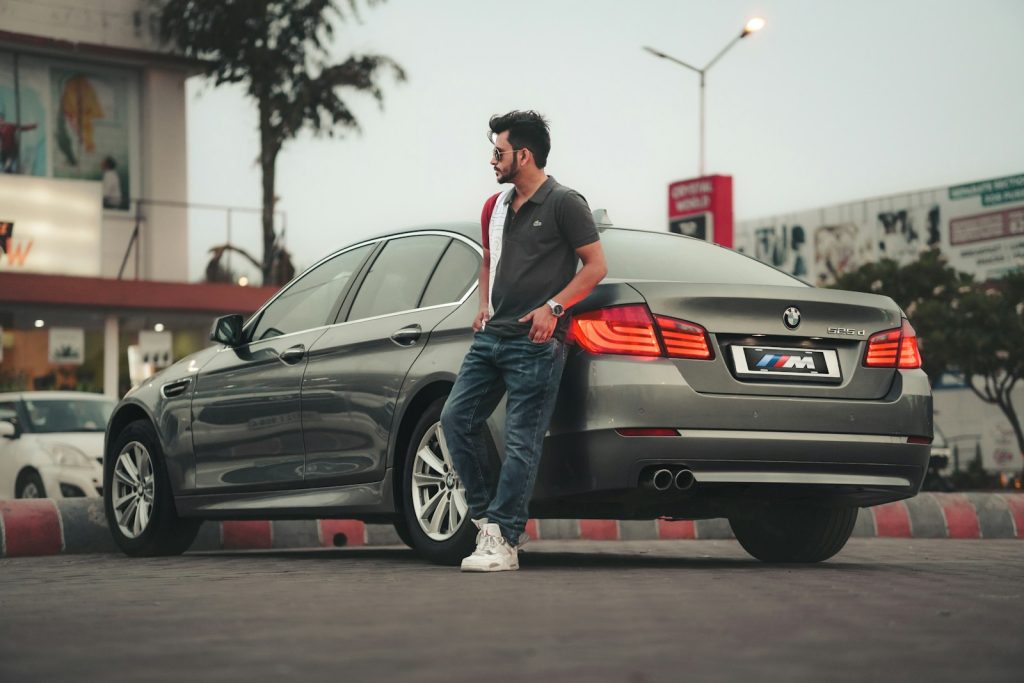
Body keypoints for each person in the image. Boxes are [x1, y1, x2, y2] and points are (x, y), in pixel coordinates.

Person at [439, 110, 607, 572]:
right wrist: (482, 305)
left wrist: (554, 308)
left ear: (524, 155)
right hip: (492, 337)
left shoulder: (565, 203)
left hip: (536, 342)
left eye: (499, 152)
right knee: (455, 419)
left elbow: (595, 266)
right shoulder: (494, 207)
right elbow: (488, 259)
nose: (492, 160)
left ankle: (505, 540)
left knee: (521, 442)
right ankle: (490, 521)